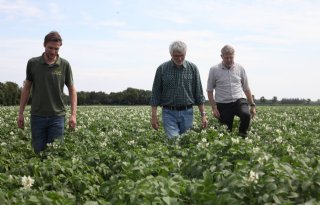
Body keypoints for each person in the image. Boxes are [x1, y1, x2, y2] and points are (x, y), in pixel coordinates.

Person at [17, 31, 77, 154]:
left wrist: (73, 115)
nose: (53, 52)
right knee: (38, 153)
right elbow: (27, 87)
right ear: (44, 45)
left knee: (55, 154)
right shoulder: (33, 63)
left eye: (56, 49)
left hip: (57, 117)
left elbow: (72, 90)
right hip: (37, 116)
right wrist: (21, 113)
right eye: (50, 48)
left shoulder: (64, 65)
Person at [150, 40, 207, 138]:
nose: (179, 58)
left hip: (187, 112)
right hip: (168, 112)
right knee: (174, 140)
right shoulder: (162, 69)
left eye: (182, 55)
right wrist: (154, 116)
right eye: (176, 56)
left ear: (185, 53)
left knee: (185, 141)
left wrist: (203, 115)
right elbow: (155, 94)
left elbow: (199, 93)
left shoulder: (193, 68)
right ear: (170, 54)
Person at [207, 45, 256, 137]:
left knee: (246, 115)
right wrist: (214, 108)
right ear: (221, 56)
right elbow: (209, 91)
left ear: (234, 56)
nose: (229, 60)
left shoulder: (240, 68)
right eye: (226, 58)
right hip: (223, 103)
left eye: (231, 57)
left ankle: (242, 135)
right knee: (226, 131)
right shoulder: (214, 70)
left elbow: (246, 88)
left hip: (239, 100)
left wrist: (252, 105)